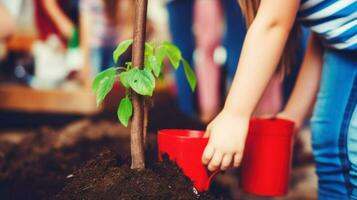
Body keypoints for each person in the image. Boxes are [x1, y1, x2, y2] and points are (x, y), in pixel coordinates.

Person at [202, 1, 357, 199]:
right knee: (328, 146)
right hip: (345, 48)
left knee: (352, 149)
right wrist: (293, 115)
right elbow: (327, 33)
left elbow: (273, 24)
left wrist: (234, 114)